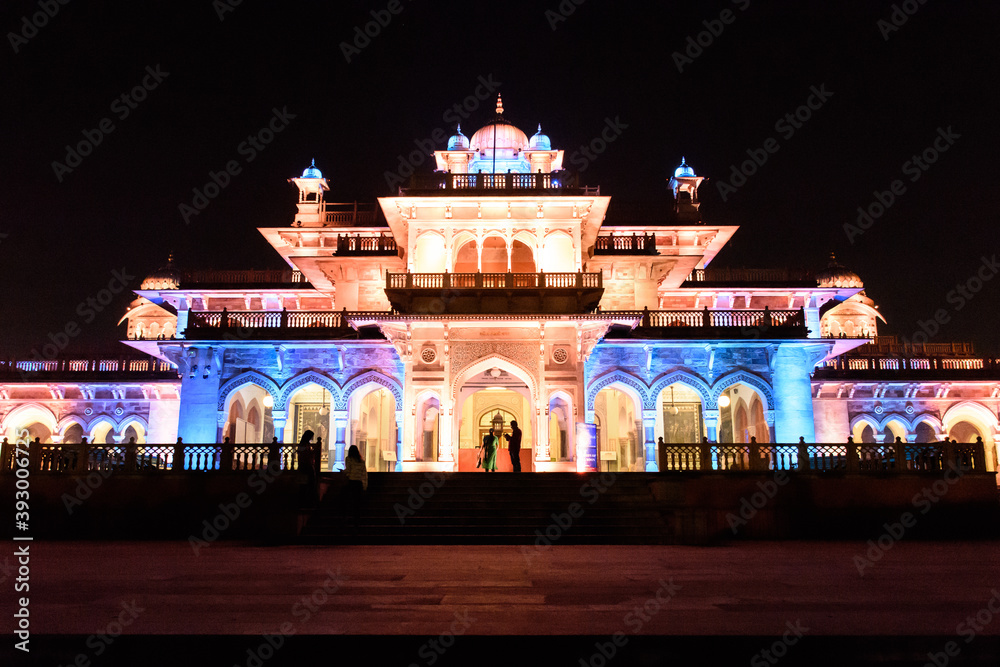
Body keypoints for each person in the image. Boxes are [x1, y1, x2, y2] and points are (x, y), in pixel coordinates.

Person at [343, 444, 367, 531]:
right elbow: (364, 474)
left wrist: (343, 472)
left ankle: (347, 520)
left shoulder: (348, 459)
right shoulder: (362, 462)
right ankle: (356, 521)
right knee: (357, 503)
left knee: (349, 501)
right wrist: (364, 486)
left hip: (351, 482)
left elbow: (348, 470)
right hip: (359, 483)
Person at [298, 430, 318, 504]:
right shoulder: (304, 445)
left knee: (305, 485)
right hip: (306, 467)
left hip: (304, 467)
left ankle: (305, 501)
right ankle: (306, 501)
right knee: (306, 485)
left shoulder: (304, 444)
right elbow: (305, 455)